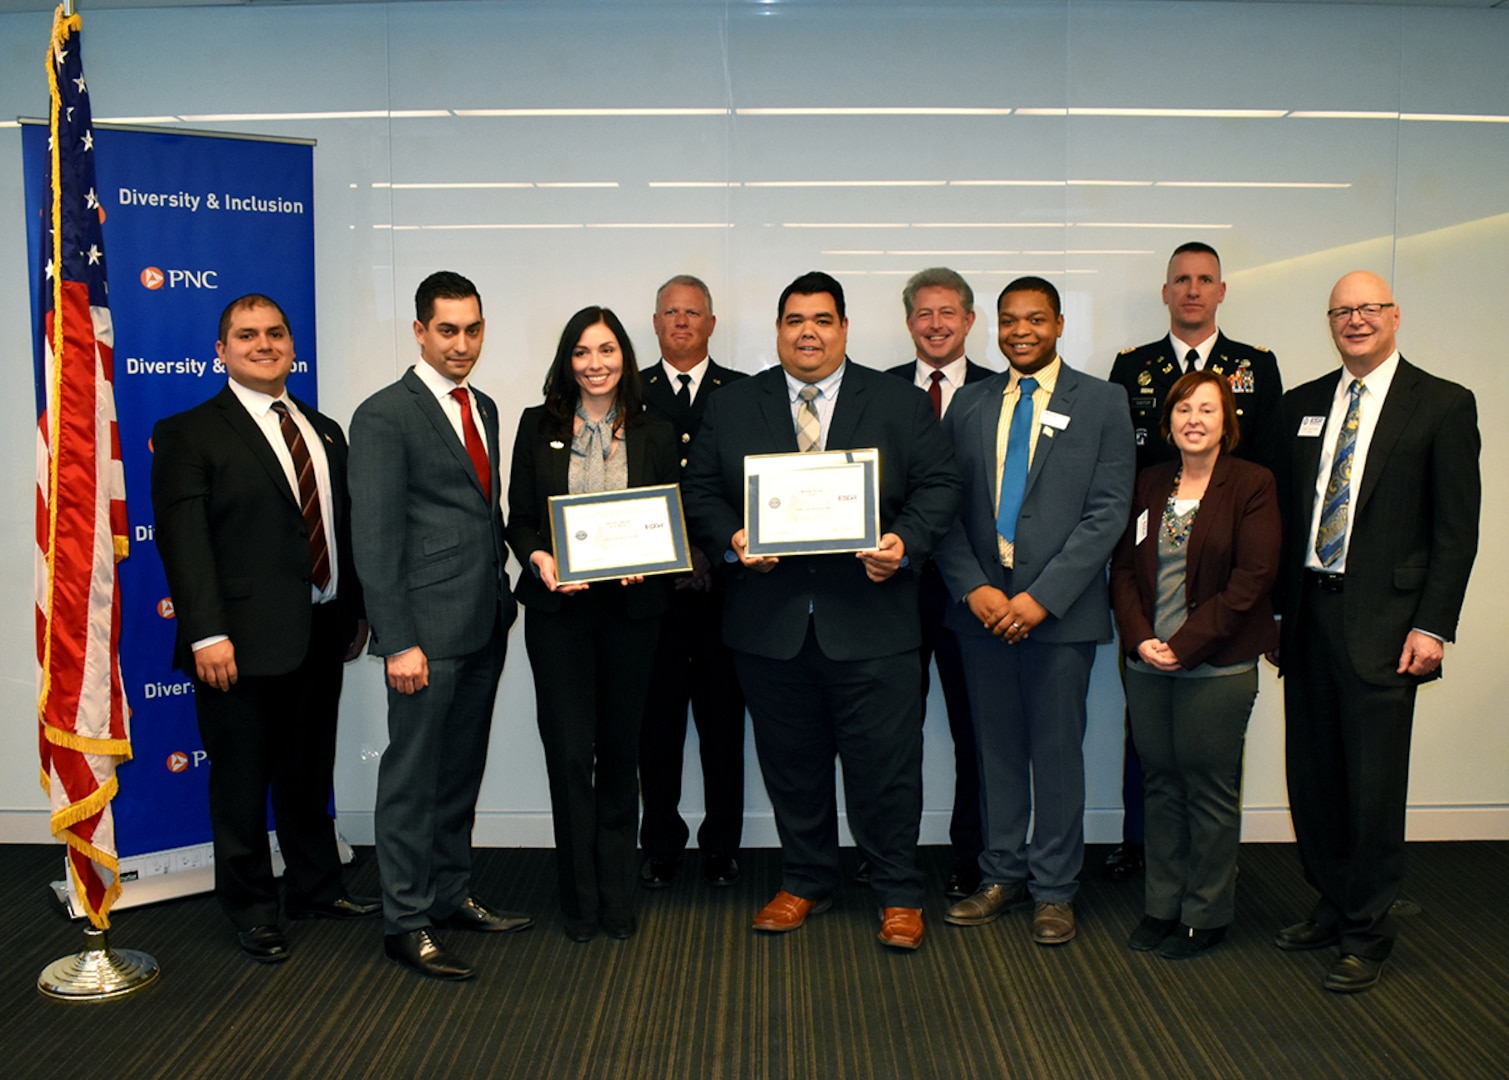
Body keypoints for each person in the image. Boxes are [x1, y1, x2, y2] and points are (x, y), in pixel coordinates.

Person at [682, 271, 960, 952]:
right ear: (777, 330)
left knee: (885, 768)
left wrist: (904, 543)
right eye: (794, 320)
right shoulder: (732, 404)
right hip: (770, 625)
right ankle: (804, 879)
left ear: (843, 328)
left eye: (822, 320)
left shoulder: (895, 400)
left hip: (872, 620)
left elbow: (939, 484)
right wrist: (732, 539)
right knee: (791, 763)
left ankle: (897, 892)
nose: (807, 332)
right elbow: (699, 490)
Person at [151, 293, 378, 964]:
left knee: (308, 773)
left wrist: (357, 609)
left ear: (291, 345)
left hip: (321, 631)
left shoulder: (323, 428)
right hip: (236, 644)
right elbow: (183, 543)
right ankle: (252, 907)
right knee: (242, 783)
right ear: (220, 351)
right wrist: (204, 634)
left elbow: (343, 531)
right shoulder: (188, 430)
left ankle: (316, 886)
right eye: (245, 335)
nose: (263, 343)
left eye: (275, 333)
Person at [1275, 271, 1480, 993]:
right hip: (1307, 620)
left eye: (1368, 308)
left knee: (1371, 787)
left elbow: (1455, 532)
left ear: (1394, 315)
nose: (1355, 320)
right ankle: (1331, 904)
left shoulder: (1442, 404)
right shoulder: (1299, 405)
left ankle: (1368, 931)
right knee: (1314, 776)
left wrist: (1432, 625)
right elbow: (1281, 523)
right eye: (1342, 310)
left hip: (1388, 628)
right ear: (1328, 321)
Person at [935, 276, 1133, 946]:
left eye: (1035, 319)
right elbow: (945, 507)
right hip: (982, 612)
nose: (1020, 331)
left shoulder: (1103, 402)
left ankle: (1054, 890)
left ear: (1058, 324)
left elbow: (1107, 513)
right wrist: (975, 588)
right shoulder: (968, 403)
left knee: (1055, 754)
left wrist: (1038, 599)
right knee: (993, 752)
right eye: (1009, 320)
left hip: (1060, 615)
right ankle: (1001, 875)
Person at [350, 271, 532, 982]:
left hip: (483, 623)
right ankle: (405, 921)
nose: (462, 344)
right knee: (412, 780)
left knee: (458, 774)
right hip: (422, 636)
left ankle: (449, 895)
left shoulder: (480, 405)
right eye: (447, 330)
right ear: (420, 331)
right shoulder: (383, 414)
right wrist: (398, 640)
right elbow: (375, 538)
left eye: (473, 329)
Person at [1105, 241, 1285, 883]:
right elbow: (1121, 539)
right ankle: (1148, 862)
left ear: (1221, 290)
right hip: (1151, 631)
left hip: (1220, 630)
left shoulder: (1255, 368)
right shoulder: (1133, 370)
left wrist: (1200, 636)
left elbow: (1260, 542)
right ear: (1165, 290)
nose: (1192, 289)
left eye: (1204, 279)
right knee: (1153, 767)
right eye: (1180, 279)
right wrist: (1143, 639)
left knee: (1208, 777)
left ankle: (1209, 886)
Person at [507, 307, 678, 942]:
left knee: (621, 755)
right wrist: (540, 557)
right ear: (567, 361)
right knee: (571, 756)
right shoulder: (536, 425)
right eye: (582, 352)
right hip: (560, 615)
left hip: (632, 615)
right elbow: (519, 517)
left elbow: (672, 519)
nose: (595, 363)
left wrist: (651, 561)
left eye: (607, 350)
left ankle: (617, 894)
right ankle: (579, 900)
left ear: (625, 358)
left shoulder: (656, 431)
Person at [1109, 370, 1280, 959]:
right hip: (1148, 663)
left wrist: (1183, 644)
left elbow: (1252, 580)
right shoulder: (1150, 483)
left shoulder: (1252, 484)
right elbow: (1125, 571)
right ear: (1168, 421)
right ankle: (1162, 905)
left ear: (1226, 420)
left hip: (1218, 666)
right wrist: (1139, 639)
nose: (1194, 420)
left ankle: (1205, 914)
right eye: (1184, 409)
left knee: (1208, 789)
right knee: (1159, 785)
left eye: (1208, 409)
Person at [883, 267, 993, 900]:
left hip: (972, 589)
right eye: (923, 313)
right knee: (892, 734)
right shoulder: (880, 392)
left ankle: (971, 854)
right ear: (908, 322)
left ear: (969, 320)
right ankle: (887, 852)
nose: (936, 324)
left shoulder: (1002, 390)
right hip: (892, 588)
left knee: (974, 731)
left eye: (948, 312)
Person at [636, 275, 748, 890]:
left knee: (722, 723)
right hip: (652, 590)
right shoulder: (630, 392)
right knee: (657, 726)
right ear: (655, 323)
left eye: (693, 313)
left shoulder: (743, 394)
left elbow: (746, 487)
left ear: (711, 322)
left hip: (725, 591)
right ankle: (660, 842)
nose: (682, 322)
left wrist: (710, 552)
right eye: (671, 313)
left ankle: (722, 844)